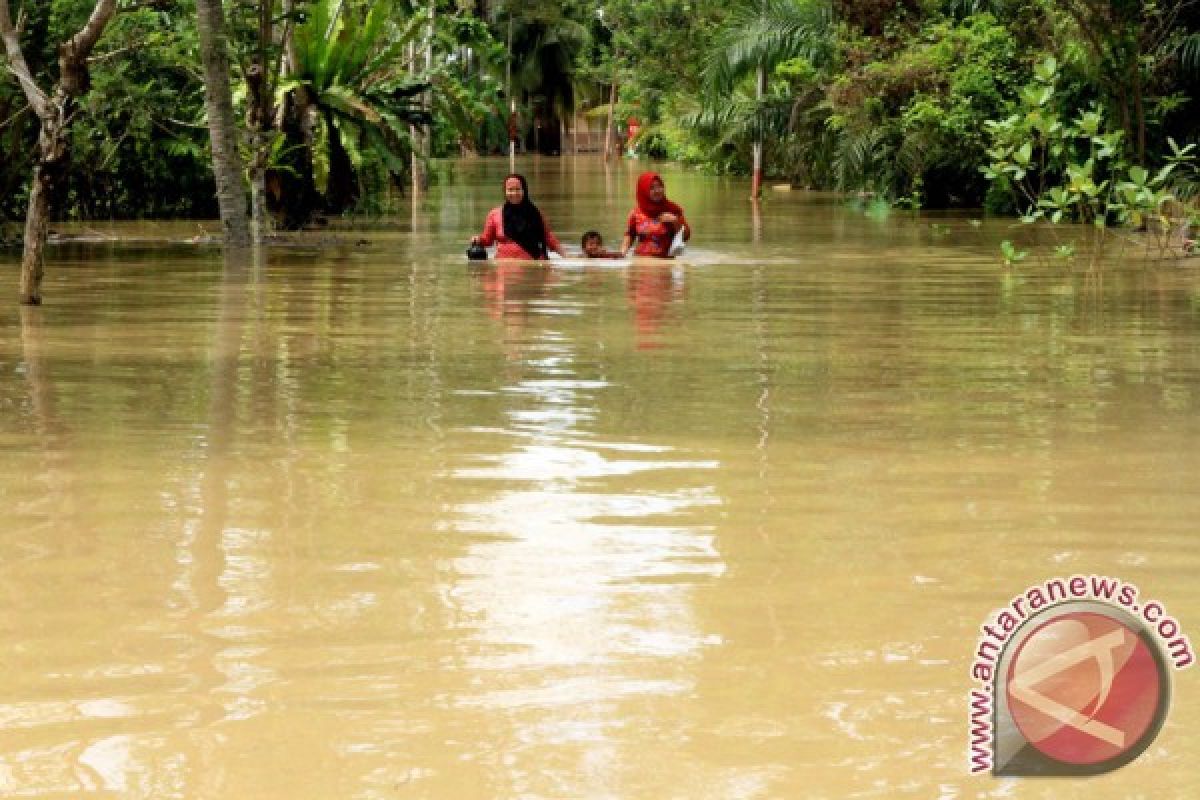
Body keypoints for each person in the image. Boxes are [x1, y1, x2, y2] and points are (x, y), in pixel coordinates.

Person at [472, 173, 565, 260]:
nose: (514, 193)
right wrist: (478, 240)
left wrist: (567, 257)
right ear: (505, 192)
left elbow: (549, 238)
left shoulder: (535, 214)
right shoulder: (494, 215)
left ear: (524, 190)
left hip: (532, 267)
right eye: (510, 190)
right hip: (503, 268)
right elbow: (487, 240)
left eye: (518, 189)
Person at [619, 172, 691, 258]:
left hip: (665, 262)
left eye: (659, 186)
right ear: (644, 191)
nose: (657, 191)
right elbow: (630, 234)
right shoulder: (636, 213)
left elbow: (685, 237)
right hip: (640, 262)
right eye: (652, 188)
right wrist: (622, 253)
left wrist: (675, 221)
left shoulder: (673, 210)